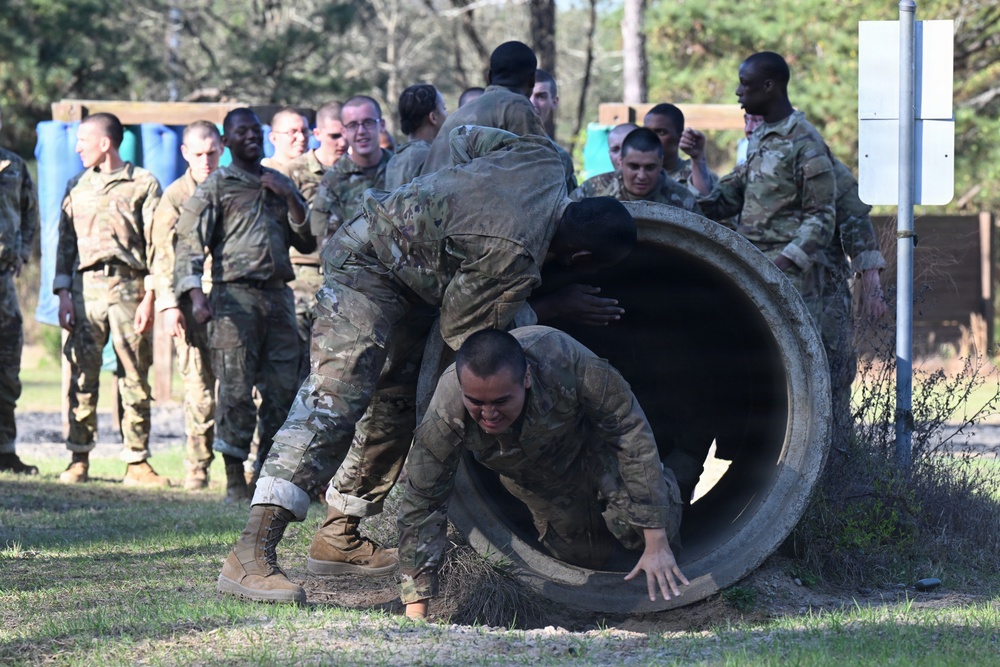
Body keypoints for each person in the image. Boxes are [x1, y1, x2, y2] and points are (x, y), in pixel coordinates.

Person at [215, 126, 638, 605]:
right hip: (368, 266)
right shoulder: (513, 256)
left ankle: (338, 535)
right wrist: (553, 306)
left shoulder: (543, 157)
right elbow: (467, 333)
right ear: (579, 257)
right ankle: (251, 553)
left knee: (395, 407)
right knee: (334, 398)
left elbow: (463, 136)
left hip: (412, 280)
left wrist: (441, 202)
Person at [398, 327, 688, 619]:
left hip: (595, 452)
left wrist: (656, 541)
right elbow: (423, 498)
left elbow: (629, 431)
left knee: (638, 531)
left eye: (500, 401)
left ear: (525, 379)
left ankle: (672, 483)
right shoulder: (446, 412)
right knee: (583, 557)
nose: (488, 414)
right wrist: (416, 608)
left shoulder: (562, 358)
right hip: (539, 481)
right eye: (476, 402)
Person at [172, 108, 314, 503]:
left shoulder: (279, 181)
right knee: (235, 390)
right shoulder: (216, 186)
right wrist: (194, 296)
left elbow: (306, 240)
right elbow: (188, 244)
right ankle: (234, 478)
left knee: (284, 390)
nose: (250, 136)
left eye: (255, 130)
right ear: (228, 140)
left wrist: (288, 196)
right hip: (233, 300)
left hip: (279, 298)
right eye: (241, 131)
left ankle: (264, 474)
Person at [698, 51, 838, 440]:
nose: (738, 92)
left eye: (745, 84)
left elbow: (822, 215)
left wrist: (783, 262)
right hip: (752, 270)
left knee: (796, 372)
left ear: (769, 86)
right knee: (752, 365)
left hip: (791, 280)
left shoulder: (805, 144)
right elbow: (735, 194)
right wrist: (688, 202)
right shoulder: (761, 135)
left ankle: (804, 447)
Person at [53, 113, 167, 486]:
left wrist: (150, 296)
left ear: (106, 143)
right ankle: (78, 457)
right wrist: (64, 294)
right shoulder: (75, 186)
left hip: (129, 288)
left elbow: (157, 245)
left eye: (84, 140)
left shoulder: (143, 184)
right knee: (82, 375)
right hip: (86, 291)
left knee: (134, 375)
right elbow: (65, 247)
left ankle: (137, 462)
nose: (77, 147)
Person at [149, 121, 223, 491]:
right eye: (198, 154)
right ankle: (197, 466)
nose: (206, 160)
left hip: (231, 302)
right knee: (198, 389)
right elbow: (162, 255)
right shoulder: (175, 196)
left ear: (222, 148)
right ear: (185, 153)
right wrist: (167, 305)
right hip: (189, 304)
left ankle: (249, 467)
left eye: (212, 152)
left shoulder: (233, 186)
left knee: (245, 391)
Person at [282, 101, 348, 381]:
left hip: (347, 282)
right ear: (318, 133)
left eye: (346, 133)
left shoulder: (358, 171)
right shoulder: (293, 172)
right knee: (293, 368)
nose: (343, 141)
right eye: (335, 135)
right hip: (302, 277)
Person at [419, 42, 554, 177]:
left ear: (489, 76)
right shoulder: (518, 106)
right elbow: (542, 169)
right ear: (532, 80)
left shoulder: (459, 114)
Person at [0, 104, 40, 475]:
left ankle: (5, 449)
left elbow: (31, 213)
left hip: (4, 283)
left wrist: (23, 250)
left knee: (8, 368)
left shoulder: (14, 166)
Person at [309, 96, 392, 247]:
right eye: (353, 125)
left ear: (382, 125)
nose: (361, 132)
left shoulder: (400, 167)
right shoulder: (333, 181)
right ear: (344, 131)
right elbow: (329, 250)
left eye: (368, 123)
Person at [570, 128, 701, 213]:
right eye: (634, 166)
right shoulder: (592, 190)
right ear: (621, 161)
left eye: (650, 167)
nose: (642, 176)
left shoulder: (683, 200)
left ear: (661, 162)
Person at [643, 103, 717, 196]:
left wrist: (698, 158)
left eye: (661, 132)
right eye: (646, 132)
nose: (651, 138)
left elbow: (707, 203)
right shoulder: (634, 173)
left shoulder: (694, 174)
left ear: (679, 136)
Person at [384, 85, 448, 191]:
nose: (446, 114)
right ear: (433, 117)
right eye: (444, 109)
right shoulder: (431, 157)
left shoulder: (395, 159)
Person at [531, 69, 577, 191]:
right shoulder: (498, 146)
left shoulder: (560, 158)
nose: (532, 103)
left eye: (541, 96)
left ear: (554, 102)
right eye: (527, 94)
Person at [570, 123, 637, 200]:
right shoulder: (590, 188)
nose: (621, 155)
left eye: (628, 148)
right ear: (609, 153)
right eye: (615, 150)